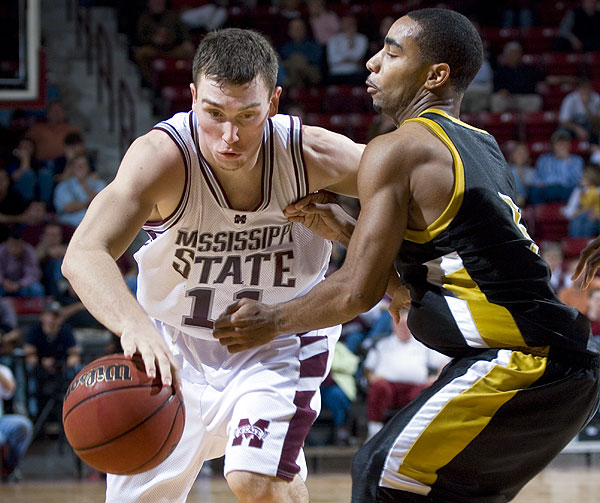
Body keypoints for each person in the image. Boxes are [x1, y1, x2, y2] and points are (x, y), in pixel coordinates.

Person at [214, 9, 600, 502]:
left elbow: (358, 290)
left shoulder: (398, 149)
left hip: (524, 362)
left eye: (393, 51)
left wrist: (268, 321)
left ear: (435, 75)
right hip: (557, 368)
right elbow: (463, 264)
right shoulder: (479, 145)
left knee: (384, 475)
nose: (372, 62)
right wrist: (352, 232)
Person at [61, 28, 363, 503]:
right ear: (193, 98)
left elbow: (413, 187)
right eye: (214, 114)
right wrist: (133, 327)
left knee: (255, 482)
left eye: (248, 115)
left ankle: (273, 474)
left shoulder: (309, 155)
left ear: (274, 103)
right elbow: (83, 253)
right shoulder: (162, 158)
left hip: (278, 344)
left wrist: (351, 230)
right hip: (172, 349)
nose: (230, 136)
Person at [363, 309, 449, 440]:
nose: (404, 328)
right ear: (394, 326)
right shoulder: (382, 344)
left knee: (427, 391)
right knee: (378, 387)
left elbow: (444, 361)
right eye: (400, 325)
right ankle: (374, 431)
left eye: (407, 325)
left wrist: (436, 378)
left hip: (414, 389)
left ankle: (419, 434)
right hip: (389, 388)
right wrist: (372, 377)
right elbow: (368, 369)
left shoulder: (422, 344)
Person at [23, 301, 81, 420]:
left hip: (61, 368)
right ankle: (33, 415)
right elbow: (29, 353)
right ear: (43, 316)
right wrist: (41, 361)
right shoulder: (35, 330)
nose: (53, 319)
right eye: (50, 315)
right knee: (30, 371)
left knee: (76, 369)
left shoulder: (65, 330)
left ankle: (74, 410)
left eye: (56, 316)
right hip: (39, 369)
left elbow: (74, 354)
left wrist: (69, 361)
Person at [528, 129, 584, 205]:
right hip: (548, 188)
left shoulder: (577, 160)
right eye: (558, 142)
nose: (561, 145)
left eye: (564, 142)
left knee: (577, 192)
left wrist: (565, 160)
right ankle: (539, 214)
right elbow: (538, 176)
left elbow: (577, 179)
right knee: (535, 191)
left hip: (567, 189)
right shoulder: (544, 159)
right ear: (553, 145)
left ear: (569, 145)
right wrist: (538, 183)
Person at [53, 153, 106, 228]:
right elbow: (68, 208)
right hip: (69, 226)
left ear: (88, 167)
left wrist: (84, 184)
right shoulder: (62, 186)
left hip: (93, 226)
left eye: (83, 165)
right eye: (77, 165)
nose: (80, 167)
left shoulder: (99, 184)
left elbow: (101, 205)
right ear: (72, 168)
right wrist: (89, 203)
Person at [490, 41, 545, 113]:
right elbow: (495, 86)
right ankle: (501, 122)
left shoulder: (529, 69)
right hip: (508, 99)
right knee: (496, 100)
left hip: (524, 98)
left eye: (516, 53)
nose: (514, 56)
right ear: (506, 56)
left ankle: (529, 123)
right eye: (511, 54)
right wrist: (501, 91)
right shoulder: (500, 71)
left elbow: (543, 79)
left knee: (536, 100)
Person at [0, 364, 33, 482]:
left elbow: (10, 390)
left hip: (1, 420)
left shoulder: (2, 370)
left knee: (24, 425)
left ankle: (11, 468)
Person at [326, 15, 369, 85]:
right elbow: (332, 59)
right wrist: (350, 59)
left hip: (355, 72)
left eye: (350, 23)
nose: (348, 25)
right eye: (346, 23)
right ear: (341, 24)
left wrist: (351, 41)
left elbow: (358, 58)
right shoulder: (333, 39)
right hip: (336, 73)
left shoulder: (362, 38)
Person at [0, 231, 44, 298]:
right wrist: (3, 282)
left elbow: (33, 274)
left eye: (17, 245)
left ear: (22, 244)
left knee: (37, 288)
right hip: (4, 284)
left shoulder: (29, 251)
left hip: (22, 285)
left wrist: (19, 284)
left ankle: (37, 308)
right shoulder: (1, 250)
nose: (14, 248)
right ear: (6, 244)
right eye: (11, 245)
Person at [562, 163, 600, 237]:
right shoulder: (578, 190)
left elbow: (588, 207)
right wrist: (575, 213)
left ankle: (585, 245)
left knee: (588, 223)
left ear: (591, 179)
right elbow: (570, 210)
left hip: (595, 218)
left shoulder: (596, 191)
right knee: (576, 221)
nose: (580, 180)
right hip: (583, 216)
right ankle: (575, 245)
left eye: (584, 178)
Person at [558, 78, 600, 144]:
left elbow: (596, 123)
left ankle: (595, 149)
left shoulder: (596, 98)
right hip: (572, 126)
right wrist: (577, 129)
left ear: (591, 88)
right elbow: (563, 121)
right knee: (562, 132)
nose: (585, 91)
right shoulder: (570, 99)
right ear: (578, 89)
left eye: (587, 88)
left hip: (589, 126)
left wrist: (586, 106)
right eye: (583, 88)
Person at [507, 141, 535, 207]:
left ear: (527, 156)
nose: (520, 154)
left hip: (523, 198)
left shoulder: (531, 171)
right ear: (512, 154)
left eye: (523, 152)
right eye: (517, 151)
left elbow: (529, 185)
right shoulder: (505, 168)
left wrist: (519, 169)